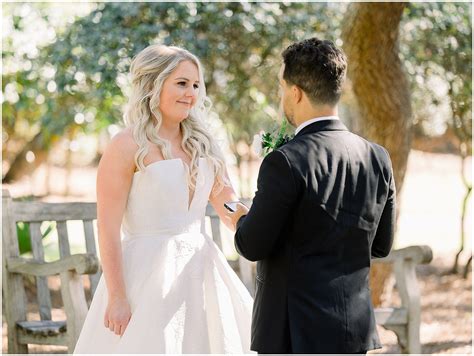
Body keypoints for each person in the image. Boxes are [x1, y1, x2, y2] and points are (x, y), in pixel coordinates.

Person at [74, 44, 253, 354]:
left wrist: (264, 217)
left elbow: (229, 207)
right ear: (153, 84)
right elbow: (107, 229)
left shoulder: (204, 145)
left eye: (196, 85)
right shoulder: (126, 145)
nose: (191, 93)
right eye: (181, 83)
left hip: (201, 271)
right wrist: (117, 297)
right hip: (143, 277)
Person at [229, 37, 396, 353]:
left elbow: (251, 244)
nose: (282, 98)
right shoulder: (378, 157)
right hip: (353, 331)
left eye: (281, 88)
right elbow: (381, 245)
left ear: (295, 92)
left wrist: (239, 219)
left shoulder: (285, 161)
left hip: (295, 333)